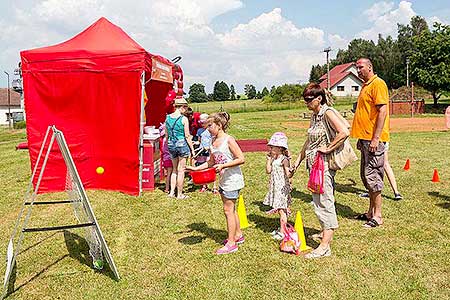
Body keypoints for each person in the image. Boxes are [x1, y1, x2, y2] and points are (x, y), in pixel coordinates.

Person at [291, 83, 350, 258]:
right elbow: (308, 142)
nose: (306, 102)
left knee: (324, 201)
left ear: (319, 98)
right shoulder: (314, 116)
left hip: (323, 165)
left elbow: (344, 132)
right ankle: (325, 231)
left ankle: (324, 246)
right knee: (318, 200)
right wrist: (297, 162)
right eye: (305, 100)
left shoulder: (327, 113)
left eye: (309, 99)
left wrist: (328, 148)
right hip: (313, 164)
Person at [186, 112, 245, 255]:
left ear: (219, 125)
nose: (207, 129)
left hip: (233, 180)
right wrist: (195, 168)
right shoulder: (212, 141)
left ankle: (231, 243)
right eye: (206, 126)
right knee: (232, 209)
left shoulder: (228, 140)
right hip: (224, 180)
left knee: (228, 210)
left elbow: (241, 159)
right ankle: (238, 235)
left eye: (210, 126)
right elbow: (211, 162)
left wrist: (224, 166)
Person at [351, 58, 390, 228]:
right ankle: (370, 213)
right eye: (357, 68)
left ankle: (378, 216)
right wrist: (362, 138)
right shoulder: (366, 85)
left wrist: (375, 138)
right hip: (365, 138)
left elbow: (382, 111)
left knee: (373, 177)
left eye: (361, 67)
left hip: (374, 139)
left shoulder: (378, 84)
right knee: (366, 176)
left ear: (370, 67)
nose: (358, 70)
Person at [263, 132, 292, 240]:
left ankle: (283, 232)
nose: (270, 149)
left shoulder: (284, 159)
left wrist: (291, 174)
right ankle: (282, 229)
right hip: (275, 187)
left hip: (281, 188)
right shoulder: (275, 159)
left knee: (281, 210)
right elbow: (268, 171)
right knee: (280, 209)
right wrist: (268, 160)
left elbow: (288, 173)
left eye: (272, 147)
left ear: (280, 148)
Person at [165, 97, 195, 199]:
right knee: (181, 170)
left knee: (174, 170)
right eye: (185, 108)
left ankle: (171, 192)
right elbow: (187, 136)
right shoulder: (184, 119)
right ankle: (180, 194)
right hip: (181, 144)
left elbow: (166, 134)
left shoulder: (167, 118)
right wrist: (192, 149)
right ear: (182, 107)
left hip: (171, 144)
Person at [194, 113, 217, 193]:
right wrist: (196, 143)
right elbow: (199, 140)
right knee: (202, 167)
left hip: (209, 151)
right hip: (201, 151)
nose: (202, 124)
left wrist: (210, 147)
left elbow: (214, 139)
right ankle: (204, 185)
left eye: (203, 123)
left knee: (212, 167)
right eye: (201, 123)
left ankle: (214, 186)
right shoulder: (199, 130)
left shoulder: (211, 130)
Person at [159, 123, 173, 194]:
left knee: (168, 174)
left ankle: (167, 187)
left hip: (165, 158)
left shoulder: (162, 140)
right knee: (171, 173)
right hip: (170, 158)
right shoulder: (168, 140)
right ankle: (168, 188)